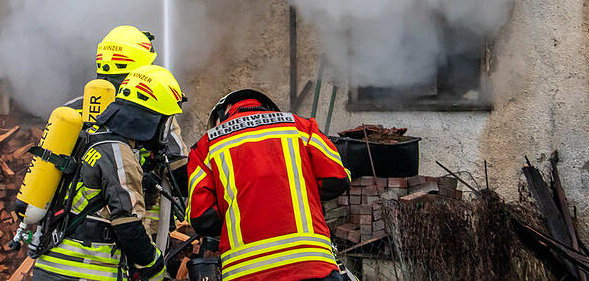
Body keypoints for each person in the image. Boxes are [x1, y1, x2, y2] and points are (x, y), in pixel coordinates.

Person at [32, 64, 185, 281]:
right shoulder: (117, 151)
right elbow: (128, 224)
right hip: (86, 272)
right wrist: (156, 268)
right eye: (165, 120)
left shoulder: (86, 137)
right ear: (151, 119)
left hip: (47, 268)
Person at [186, 89, 352, 281]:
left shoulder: (206, 146)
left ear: (226, 110)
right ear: (268, 108)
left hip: (246, 271)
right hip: (311, 264)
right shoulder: (302, 127)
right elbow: (338, 179)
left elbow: (201, 217)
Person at [66, 25, 189, 237]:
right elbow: (179, 172)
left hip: (72, 229)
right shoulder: (153, 112)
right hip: (137, 230)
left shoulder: (71, 111)